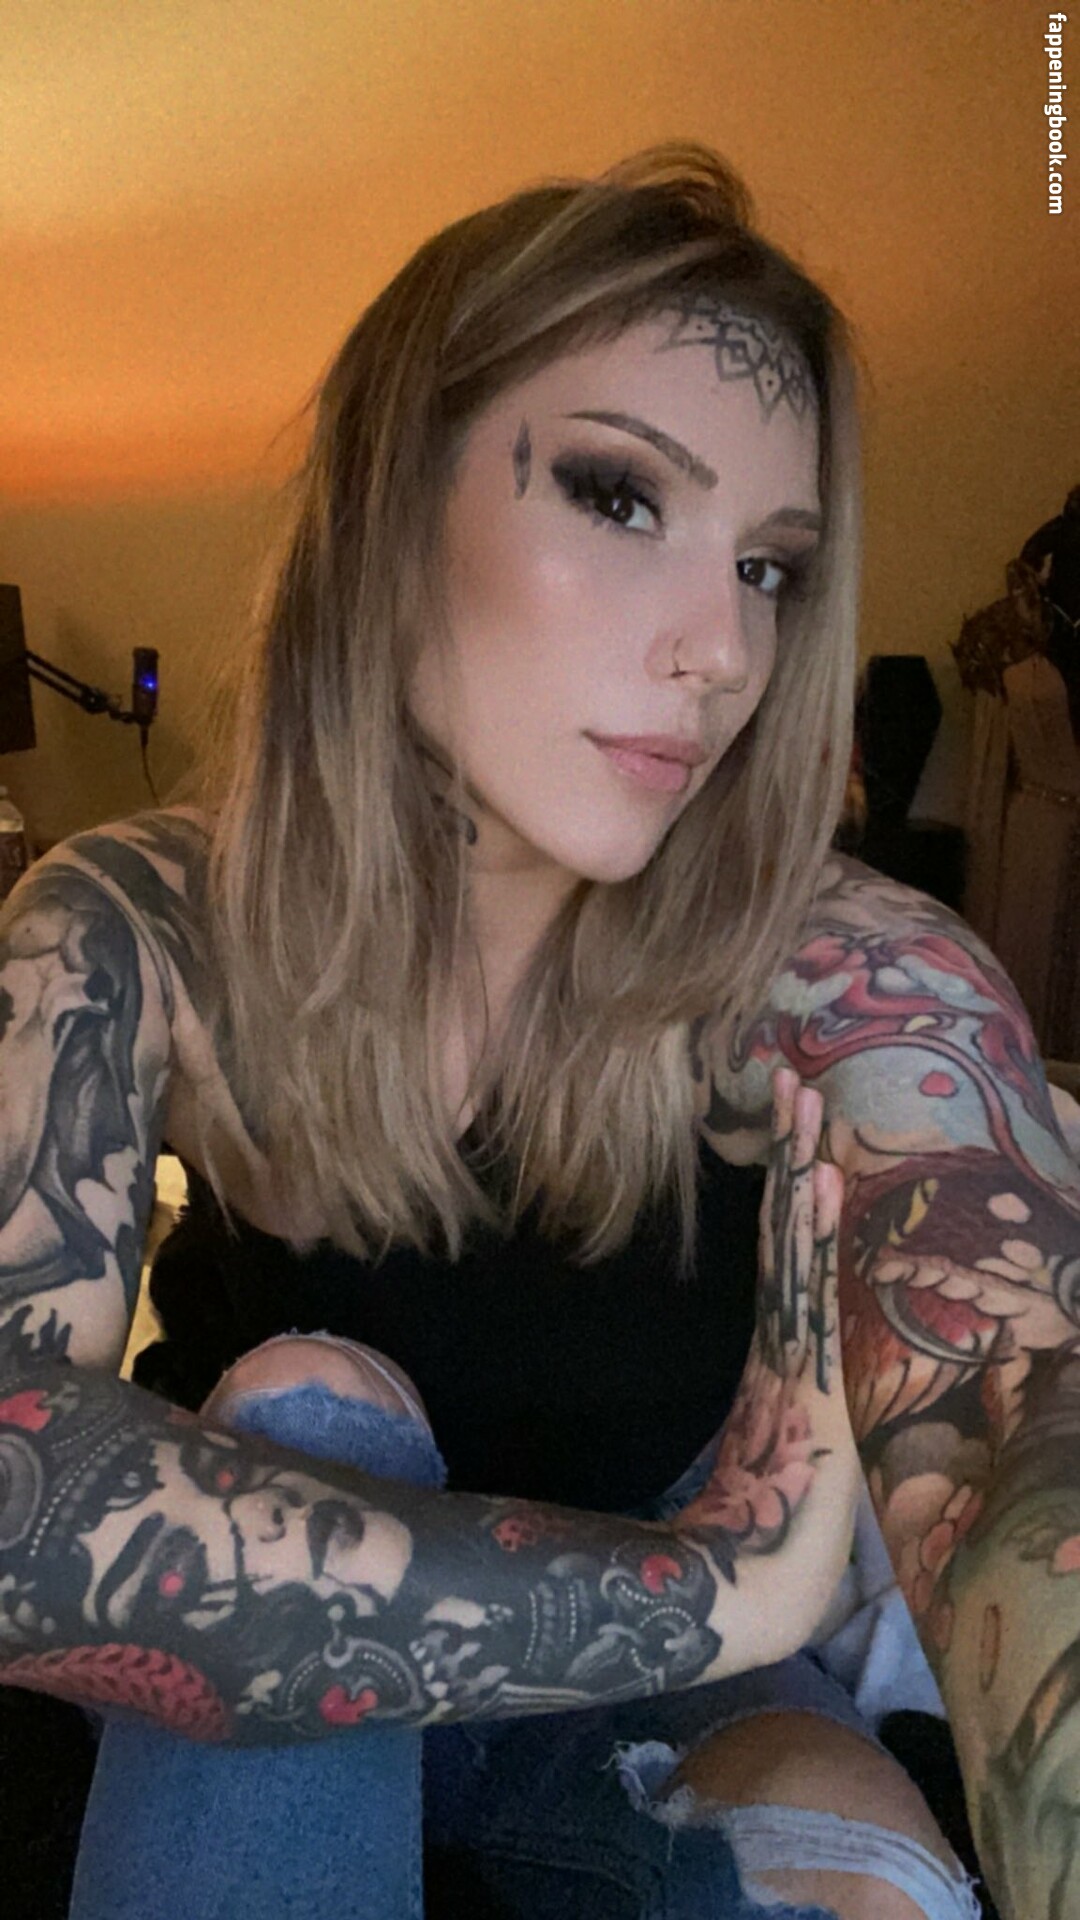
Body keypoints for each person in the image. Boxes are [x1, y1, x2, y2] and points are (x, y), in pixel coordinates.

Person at [1, 143, 1076, 1920]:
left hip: (665, 1697)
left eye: (773, 567)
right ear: (388, 505)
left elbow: (1028, 1422)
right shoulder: (137, 925)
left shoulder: (837, 965)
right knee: (310, 1411)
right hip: (281, 1660)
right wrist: (720, 1586)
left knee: (875, 1868)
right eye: (622, 497)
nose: (723, 650)